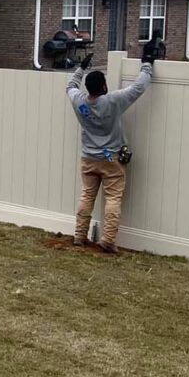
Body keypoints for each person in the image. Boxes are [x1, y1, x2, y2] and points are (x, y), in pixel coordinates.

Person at [65, 40, 160, 253]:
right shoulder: (113, 101)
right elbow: (139, 87)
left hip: (88, 158)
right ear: (104, 86)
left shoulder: (79, 102)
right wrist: (147, 63)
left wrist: (81, 68)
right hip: (111, 158)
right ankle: (107, 240)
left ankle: (79, 236)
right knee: (113, 199)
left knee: (87, 196)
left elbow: (70, 86)